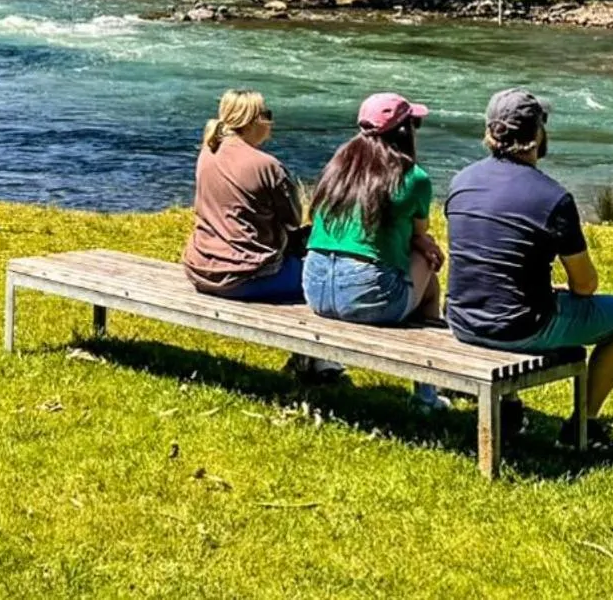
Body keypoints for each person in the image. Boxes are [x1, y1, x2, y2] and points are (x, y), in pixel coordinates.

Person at [445, 87, 613, 443]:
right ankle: (584, 424)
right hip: (520, 327)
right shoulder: (553, 197)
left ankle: (509, 405)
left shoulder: (461, 182)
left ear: (490, 132)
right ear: (537, 134)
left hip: (462, 319)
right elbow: (585, 286)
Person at [303, 92, 448, 409]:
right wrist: (421, 241)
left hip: (315, 289)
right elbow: (420, 233)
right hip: (366, 298)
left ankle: (318, 364)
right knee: (429, 269)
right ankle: (427, 396)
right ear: (403, 131)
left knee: (416, 261)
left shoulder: (339, 166)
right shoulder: (413, 178)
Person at [181, 90, 308, 302]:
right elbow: (294, 219)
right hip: (249, 276)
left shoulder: (207, 152)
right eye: (267, 115)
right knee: (327, 277)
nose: (271, 122)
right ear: (252, 121)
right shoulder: (267, 165)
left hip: (200, 269)